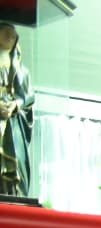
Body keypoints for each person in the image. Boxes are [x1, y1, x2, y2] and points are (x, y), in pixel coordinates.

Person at [0, 22, 32, 197]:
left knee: (14, 162)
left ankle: (11, 192)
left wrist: (14, 105)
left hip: (12, 123)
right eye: (6, 32)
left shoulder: (21, 70)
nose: (10, 37)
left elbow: (27, 96)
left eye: (13, 35)